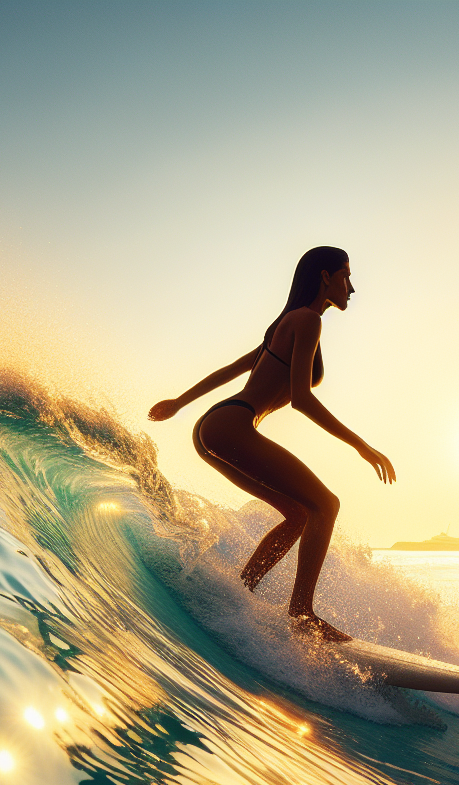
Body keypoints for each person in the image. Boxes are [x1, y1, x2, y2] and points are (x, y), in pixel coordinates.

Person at [149, 246, 394, 642]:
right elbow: (301, 397)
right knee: (327, 504)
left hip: (214, 425)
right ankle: (302, 612)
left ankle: (240, 591)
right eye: (346, 275)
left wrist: (181, 404)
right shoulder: (307, 320)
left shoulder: (288, 323)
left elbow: (233, 369)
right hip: (233, 424)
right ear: (324, 277)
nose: (352, 287)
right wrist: (360, 446)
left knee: (299, 513)